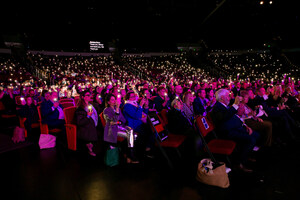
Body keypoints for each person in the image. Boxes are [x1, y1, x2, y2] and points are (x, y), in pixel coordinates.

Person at [210, 89, 259, 173]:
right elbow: (224, 118)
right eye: (228, 96)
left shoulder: (224, 106)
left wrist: (245, 125)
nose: (229, 98)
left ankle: (245, 155)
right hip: (227, 133)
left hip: (233, 128)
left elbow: (234, 117)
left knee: (255, 135)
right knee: (251, 139)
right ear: (222, 98)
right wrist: (235, 104)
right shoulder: (217, 107)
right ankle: (239, 163)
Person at [103, 94, 138, 163]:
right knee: (130, 135)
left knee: (133, 134)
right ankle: (130, 155)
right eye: (112, 100)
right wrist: (117, 111)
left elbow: (123, 120)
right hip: (112, 130)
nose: (114, 101)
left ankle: (128, 155)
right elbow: (113, 121)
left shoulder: (117, 108)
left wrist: (120, 123)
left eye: (115, 99)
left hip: (119, 127)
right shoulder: (106, 110)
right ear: (108, 102)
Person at [122, 90, 154, 158]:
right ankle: (146, 150)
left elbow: (144, 113)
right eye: (132, 97)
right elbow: (137, 116)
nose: (134, 97)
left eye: (134, 96)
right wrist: (141, 105)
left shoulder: (135, 104)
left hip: (140, 123)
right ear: (128, 98)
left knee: (152, 129)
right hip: (134, 125)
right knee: (148, 131)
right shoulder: (127, 106)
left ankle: (148, 148)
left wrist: (146, 106)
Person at [74, 91, 99, 156]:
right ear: (83, 97)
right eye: (87, 95)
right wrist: (88, 116)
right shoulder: (80, 109)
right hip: (85, 128)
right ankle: (89, 148)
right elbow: (80, 122)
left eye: (89, 95)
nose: (89, 96)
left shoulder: (91, 105)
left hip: (93, 125)